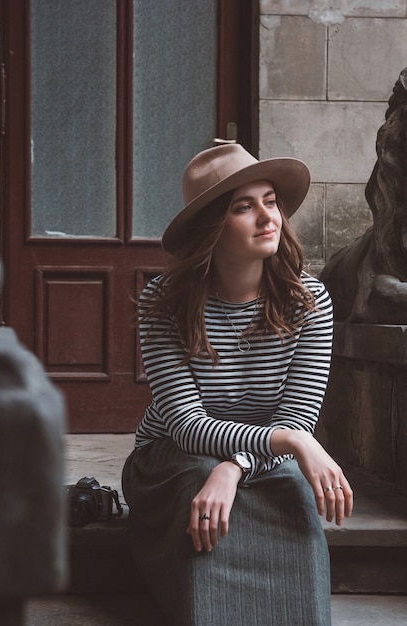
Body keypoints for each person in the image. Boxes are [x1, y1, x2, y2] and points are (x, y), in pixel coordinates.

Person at [122, 143, 353, 625]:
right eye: (243, 207)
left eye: (270, 201)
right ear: (211, 227)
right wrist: (286, 441)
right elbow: (185, 425)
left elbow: (297, 419)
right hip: (169, 457)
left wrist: (234, 466)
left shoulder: (309, 301)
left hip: (262, 457)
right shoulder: (163, 302)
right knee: (197, 481)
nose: (268, 218)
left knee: (289, 486)